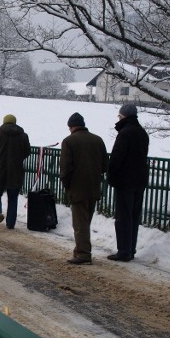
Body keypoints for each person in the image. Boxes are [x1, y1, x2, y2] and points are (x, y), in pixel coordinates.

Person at [60, 112, 108, 265]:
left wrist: (66, 184)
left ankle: (83, 254)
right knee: (86, 221)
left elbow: (66, 167)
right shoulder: (97, 140)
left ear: (71, 127)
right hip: (93, 186)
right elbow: (105, 165)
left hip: (77, 187)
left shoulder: (69, 141)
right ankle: (83, 250)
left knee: (79, 224)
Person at [107, 104, 149, 261]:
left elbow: (117, 157)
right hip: (140, 180)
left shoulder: (125, 133)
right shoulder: (142, 133)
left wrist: (111, 175)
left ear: (123, 116)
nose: (118, 119)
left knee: (123, 217)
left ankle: (123, 251)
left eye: (119, 116)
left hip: (125, 181)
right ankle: (131, 249)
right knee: (133, 216)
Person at [0, 114, 31, 230]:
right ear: (15, 123)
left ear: (4, 122)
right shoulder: (23, 136)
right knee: (13, 197)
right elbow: (27, 152)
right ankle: (10, 223)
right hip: (15, 170)